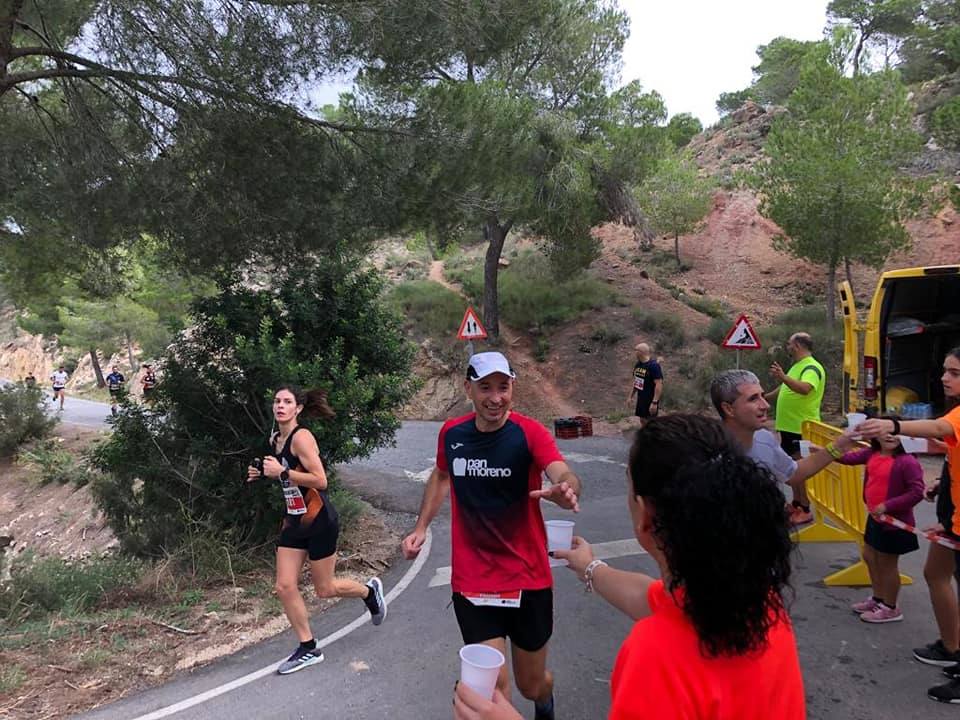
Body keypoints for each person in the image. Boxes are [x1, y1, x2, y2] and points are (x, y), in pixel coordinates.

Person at [453, 414, 804, 720]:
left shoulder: (655, 658)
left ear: (645, 515)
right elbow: (650, 596)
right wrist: (589, 567)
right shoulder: (762, 607)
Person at [403, 352, 580, 720]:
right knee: (493, 688)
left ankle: (544, 702)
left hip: (527, 578)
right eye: (485, 387)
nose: (496, 397)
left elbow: (561, 471)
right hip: (474, 581)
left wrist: (565, 488)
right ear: (468, 388)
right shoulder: (453, 434)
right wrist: (421, 527)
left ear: (513, 388)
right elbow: (440, 475)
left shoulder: (528, 432)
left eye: (504, 387)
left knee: (532, 685)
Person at [247, 385, 386, 675]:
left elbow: (320, 480)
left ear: (298, 408)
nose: (280, 406)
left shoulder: (302, 438)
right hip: (294, 520)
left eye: (287, 402)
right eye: (277, 401)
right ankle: (308, 648)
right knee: (284, 586)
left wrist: (282, 473)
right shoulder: (276, 440)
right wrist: (263, 473)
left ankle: (368, 592)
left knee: (325, 589)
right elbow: (284, 475)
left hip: (319, 519)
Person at [858, 347, 960, 703]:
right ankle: (952, 648)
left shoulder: (957, 414)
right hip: (953, 515)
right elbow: (953, 448)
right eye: (946, 370)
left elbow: (938, 428)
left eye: (955, 373)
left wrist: (893, 424)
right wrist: (943, 483)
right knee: (936, 575)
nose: (945, 378)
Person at [710, 369, 857, 502]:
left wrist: (838, 446)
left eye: (762, 396)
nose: (765, 405)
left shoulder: (764, 438)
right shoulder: (706, 453)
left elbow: (793, 473)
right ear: (729, 409)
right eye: (753, 399)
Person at [835, 429, 924, 623]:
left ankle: (891, 607)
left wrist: (887, 506)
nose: (890, 436)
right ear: (875, 435)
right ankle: (878, 598)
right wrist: (823, 452)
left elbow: (917, 492)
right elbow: (848, 459)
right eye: (885, 432)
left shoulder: (907, 462)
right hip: (875, 519)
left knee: (887, 565)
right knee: (869, 556)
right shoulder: (872, 454)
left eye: (895, 432)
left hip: (895, 524)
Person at [764, 333, 826, 524]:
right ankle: (797, 504)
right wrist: (762, 397)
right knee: (793, 468)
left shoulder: (811, 367)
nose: (787, 346)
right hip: (789, 427)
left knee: (799, 470)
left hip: (802, 427)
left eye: (789, 343)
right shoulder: (796, 366)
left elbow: (805, 388)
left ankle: (805, 509)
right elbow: (785, 389)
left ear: (798, 345)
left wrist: (782, 376)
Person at [627, 343, 662, 421]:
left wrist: (654, 402)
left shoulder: (654, 366)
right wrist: (630, 396)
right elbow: (636, 381)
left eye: (635, 350)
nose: (634, 353)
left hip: (650, 399)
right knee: (642, 420)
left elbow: (659, 384)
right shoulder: (638, 365)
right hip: (641, 398)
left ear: (640, 352)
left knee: (650, 422)